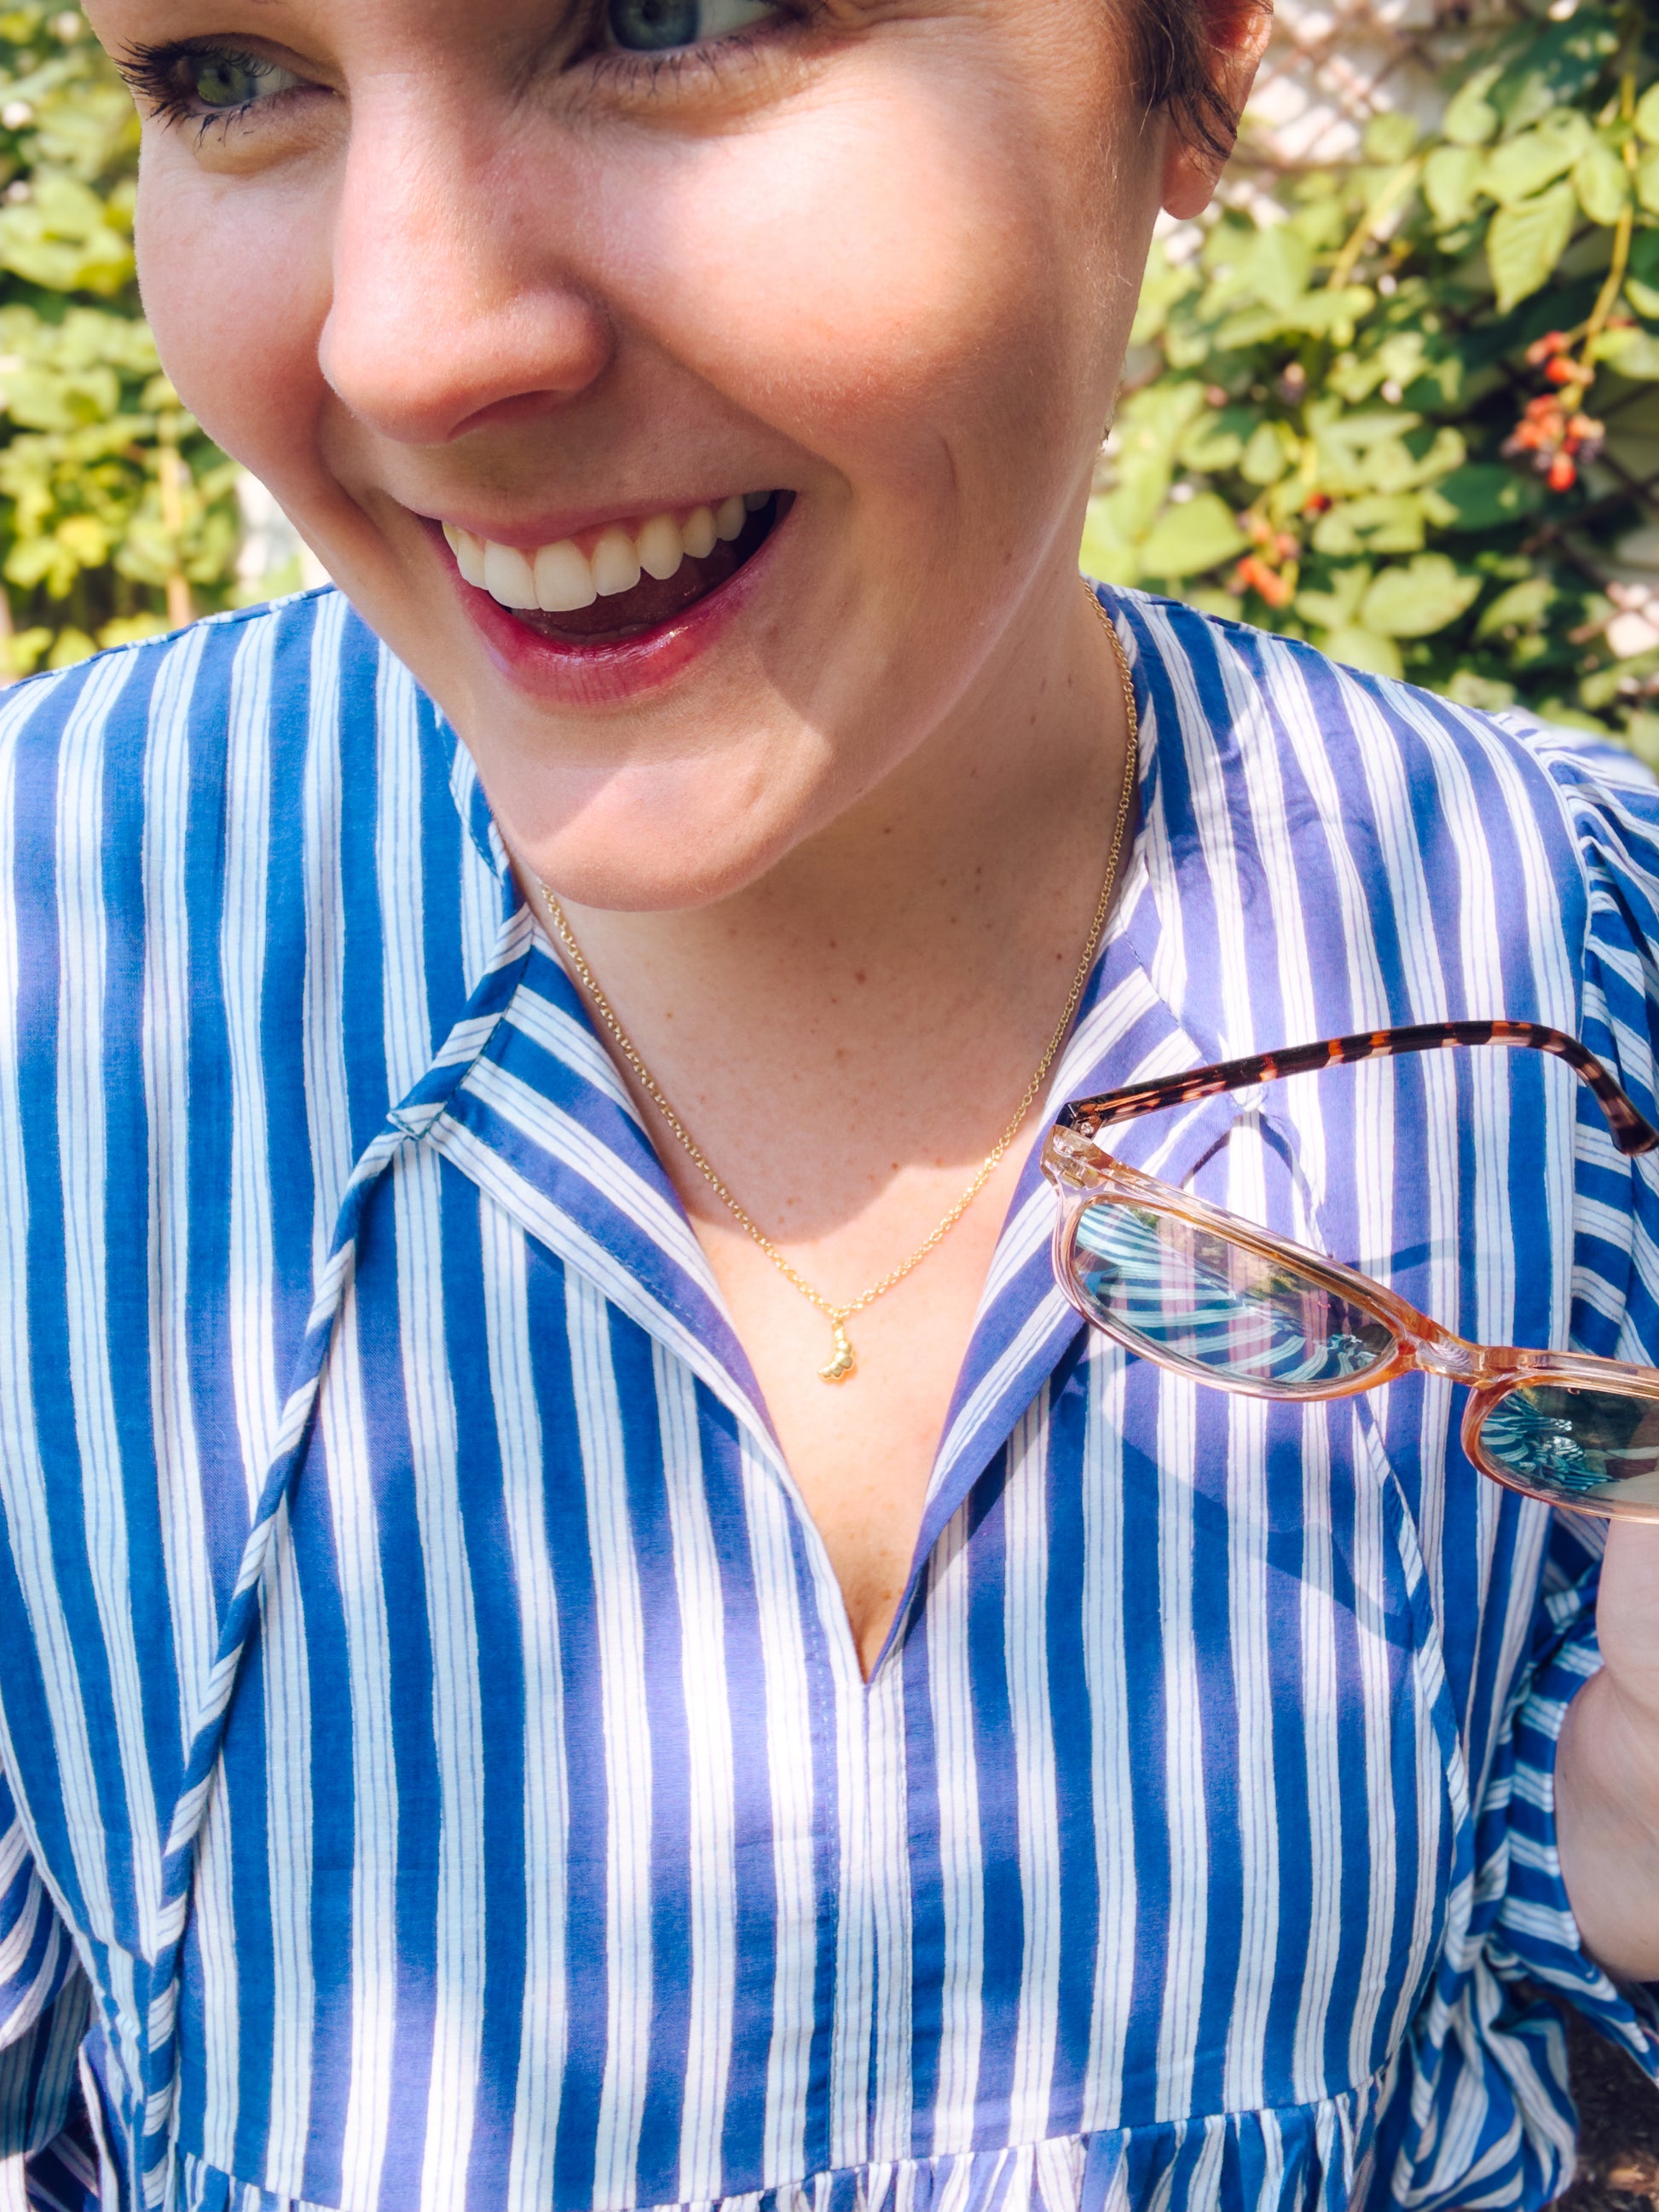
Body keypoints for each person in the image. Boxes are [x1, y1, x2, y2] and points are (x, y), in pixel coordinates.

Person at [0, 3, 1656, 2208]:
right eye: (221, 70)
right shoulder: (51, 960)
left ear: (1207, 54)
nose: (407, 340)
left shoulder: (1575, 968)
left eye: (676, 13)